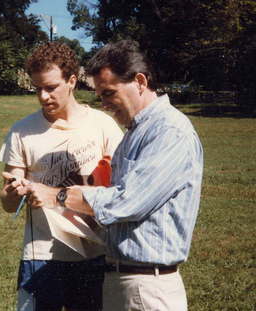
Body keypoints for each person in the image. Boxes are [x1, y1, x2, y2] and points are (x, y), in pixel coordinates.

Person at [19, 40, 204, 311]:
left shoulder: (169, 131)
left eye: (109, 93)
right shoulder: (135, 131)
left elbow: (126, 201)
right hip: (123, 280)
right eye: (100, 96)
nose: (104, 104)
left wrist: (56, 195)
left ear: (140, 81)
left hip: (147, 288)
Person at [0, 42, 123, 311]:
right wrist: (11, 192)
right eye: (37, 88)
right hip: (40, 256)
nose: (43, 96)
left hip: (96, 254)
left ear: (72, 81)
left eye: (51, 87)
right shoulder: (22, 131)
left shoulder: (102, 126)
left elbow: (121, 190)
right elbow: (8, 205)